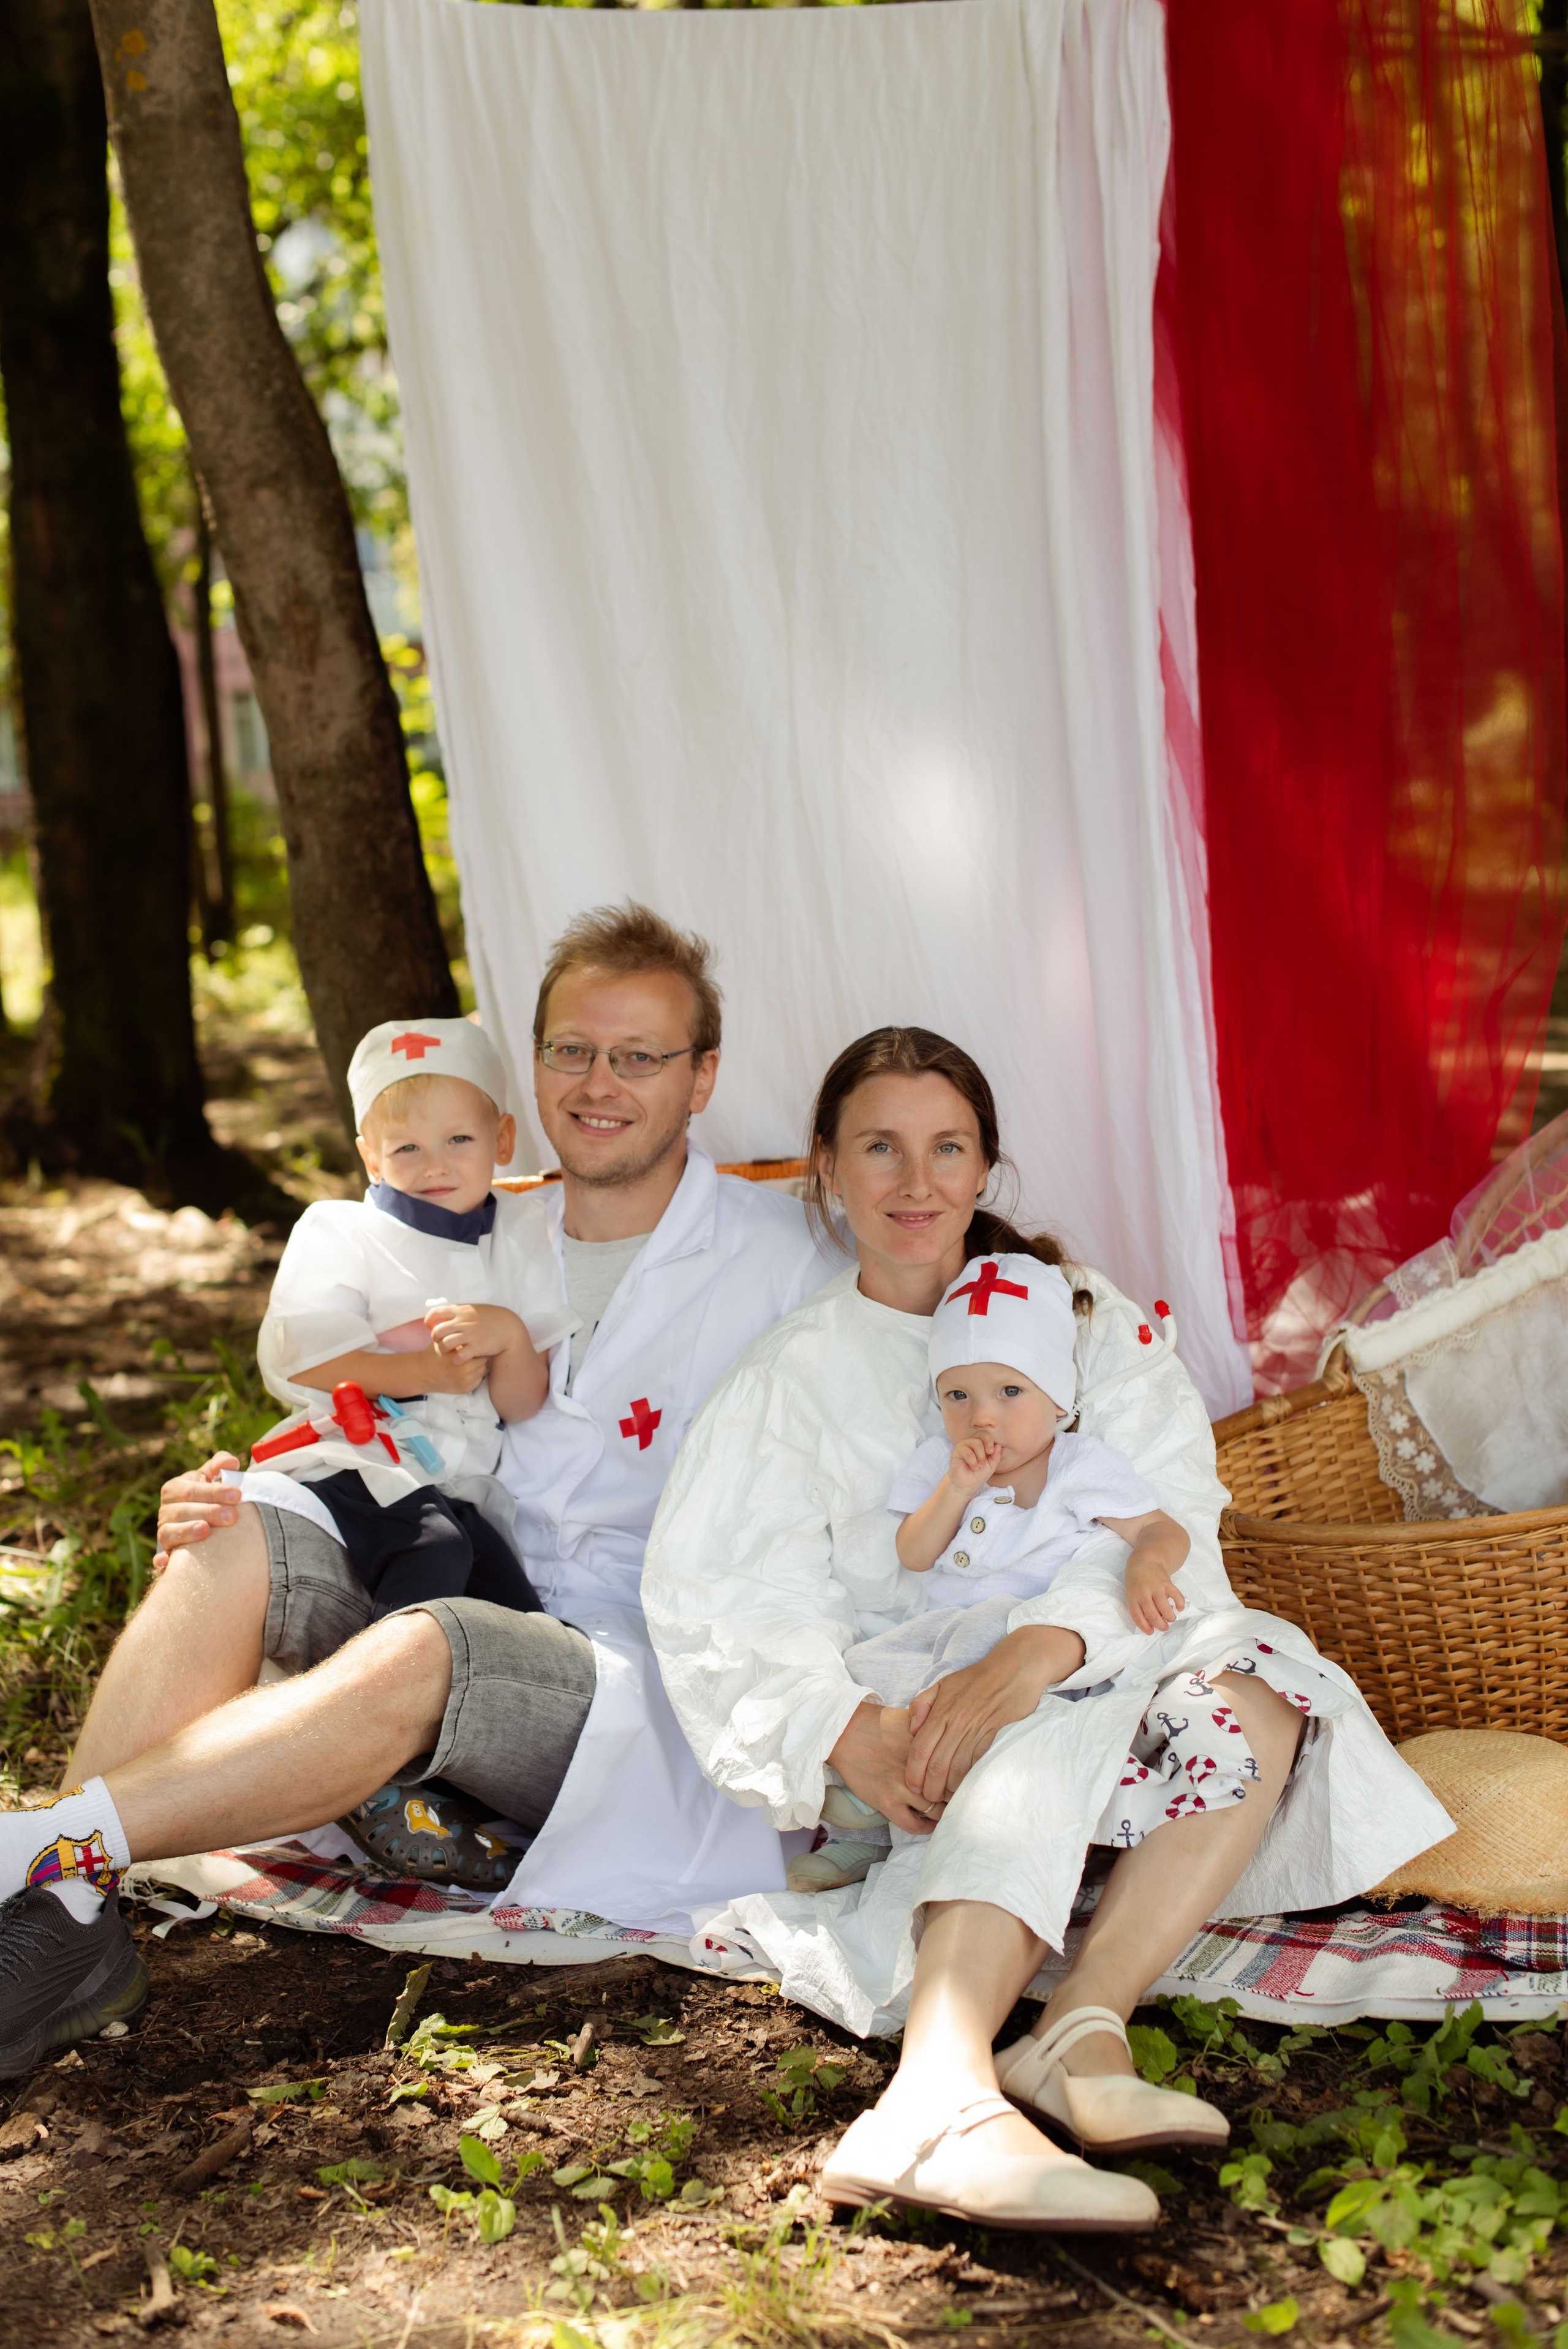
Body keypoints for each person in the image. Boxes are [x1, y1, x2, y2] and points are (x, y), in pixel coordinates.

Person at [643, 1025, 1453, 2233]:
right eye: (879, 1146)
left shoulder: (1078, 1316)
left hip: (1094, 1657)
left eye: (946, 1147)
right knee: (1025, 1729)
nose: (916, 1181)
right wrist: (842, 1728)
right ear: (827, 1167)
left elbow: (1168, 1502)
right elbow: (728, 1589)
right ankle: (935, 2097)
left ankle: (1081, 2027)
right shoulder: (788, 1377)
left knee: (1263, 1679)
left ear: (985, 1167)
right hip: (921, 1724)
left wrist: (1049, 1643)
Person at [0, 903, 831, 2079]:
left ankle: (36, 1845)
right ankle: (61, 1928)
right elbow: (378, 1416)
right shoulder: (476, 1226)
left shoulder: (789, 1258)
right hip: (448, 1564)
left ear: (702, 1077)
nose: (599, 1083)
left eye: (640, 1056)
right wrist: (254, 1478)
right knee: (238, 1526)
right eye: (572, 1050)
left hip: (631, 1670)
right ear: (532, 1065)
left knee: (434, 1640)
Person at [791, 1251, 1188, 1893]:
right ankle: (861, 1834)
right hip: (938, 1630)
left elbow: (1160, 1528)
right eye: (958, 1395)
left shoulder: (1077, 1464)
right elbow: (914, 1553)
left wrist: (1146, 1562)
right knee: (864, 1669)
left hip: (1019, 1639)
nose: (981, 1416)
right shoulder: (940, 1462)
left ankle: (917, 1823)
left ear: (1057, 1397)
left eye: (1010, 1391)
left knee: (967, 1658)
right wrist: (955, 1488)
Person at [239, 1016, 573, 1626]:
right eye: (407, 1148)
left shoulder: (521, 1230)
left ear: (502, 1139)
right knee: (433, 1551)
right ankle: (377, 1679)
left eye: (458, 1139)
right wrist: (423, 1370)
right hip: (356, 1462)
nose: (434, 1166)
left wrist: (510, 1336)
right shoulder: (343, 1231)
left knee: (516, 1604)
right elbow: (305, 1360)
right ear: (371, 1157)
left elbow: (523, 1403)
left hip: (457, 1485)